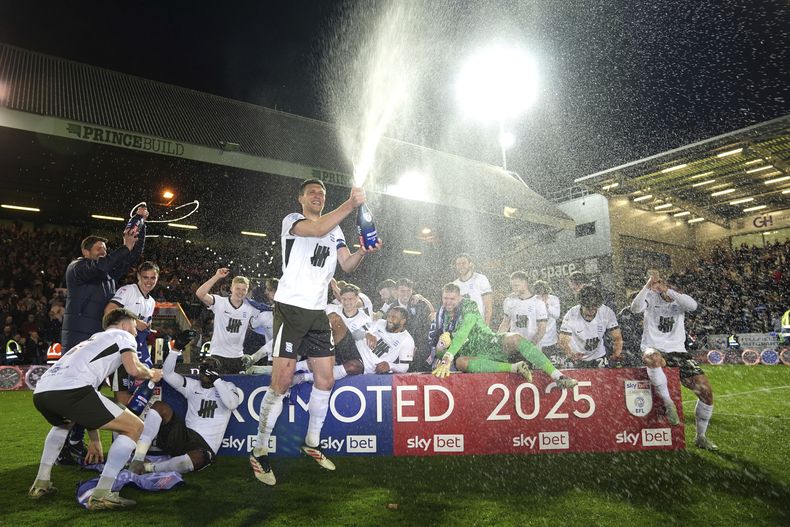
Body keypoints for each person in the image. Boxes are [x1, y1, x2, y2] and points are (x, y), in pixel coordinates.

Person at [249, 178, 380, 486]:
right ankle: (259, 450)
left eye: (322, 193)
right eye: (312, 193)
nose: (318, 197)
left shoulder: (335, 229)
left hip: (318, 312)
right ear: (301, 199)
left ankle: (311, 442)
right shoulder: (292, 221)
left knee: (326, 378)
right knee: (281, 382)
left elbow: (346, 265)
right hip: (290, 310)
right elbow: (318, 229)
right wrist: (351, 204)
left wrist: (363, 249)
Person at [29, 308, 162, 510]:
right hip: (71, 391)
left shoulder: (93, 341)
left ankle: (41, 483)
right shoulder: (123, 335)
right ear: (125, 322)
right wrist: (152, 373)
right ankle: (102, 494)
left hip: (43, 392)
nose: (136, 331)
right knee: (135, 427)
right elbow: (134, 370)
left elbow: (90, 401)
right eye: (135, 325)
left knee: (64, 424)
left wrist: (94, 438)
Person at [60, 216, 146, 464]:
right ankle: (68, 447)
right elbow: (104, 264)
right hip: (78, 340)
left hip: (94, 342)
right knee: (75, 393)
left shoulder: (105, 274)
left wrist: (139, 224)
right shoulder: (78, 268)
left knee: (89, 393)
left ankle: (74, 444)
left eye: (106, 251)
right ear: (85, 251)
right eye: (99, 250)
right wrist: (124, 247)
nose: (103, 254)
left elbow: (129, 256)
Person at [630, 271, 717, 450]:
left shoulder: (680, 300)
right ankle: (668, 403)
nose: (661, 288)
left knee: (706, 393)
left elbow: (693, 306)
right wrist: (648, 286)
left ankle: (701, 436)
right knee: (651, 357)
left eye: (666, 285)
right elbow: (634, 308)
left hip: (679, 352)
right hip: (654, 348)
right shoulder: (651, 298)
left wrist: (669, 290)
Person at [431, 283, 578, 389]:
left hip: (489, 343)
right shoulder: (440, 317)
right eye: (445, 298)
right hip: (473, 355)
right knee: (461, 363)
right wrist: (441, 346)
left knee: (514, 338)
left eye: (452, 299)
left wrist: (447, 357)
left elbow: (464, 331)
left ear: (460, 298)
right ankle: (515, 368)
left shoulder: (468, 305)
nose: (448, 302)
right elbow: (439, 352)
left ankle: (558, 376)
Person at [129, 339, 241, 475]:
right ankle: (138, 459)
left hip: (205, 444)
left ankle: (149, 468)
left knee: (195, 459)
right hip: (184, 435)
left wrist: (215, 380)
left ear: (216, 372)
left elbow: (232, 404)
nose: (204, 373)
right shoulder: (193, 385)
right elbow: (168, 374)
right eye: (203, 368)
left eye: (208, 369)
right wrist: (175, 349)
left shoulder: (228, 387)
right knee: (159, 407)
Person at [104, 261, 159, 405]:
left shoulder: (152, 301)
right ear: (138, 277)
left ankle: (130, 422)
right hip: (121, 349)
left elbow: (143, 326)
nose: (149, 281)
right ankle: (119, 424)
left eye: (153, 278)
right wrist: (134, 321)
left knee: (144, 387)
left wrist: (148, 329)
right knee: (123, 393)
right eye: (145, 277)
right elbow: (109, 310)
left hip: (138, 348)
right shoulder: (128, 290)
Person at [195, 269, 268, 374]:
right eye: (237, 288)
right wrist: (216, 277)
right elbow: (200, 293)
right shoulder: (220, 302)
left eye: (244, 289)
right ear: (231, 288)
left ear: (247, 292)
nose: (241, 292)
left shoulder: (251, 308)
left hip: (237, 357)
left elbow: (265, 317)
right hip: (217, 355)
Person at [558, 285, 623, 368]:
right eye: (588, 308)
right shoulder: (571, 314)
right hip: (578, 356)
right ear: (581, 305)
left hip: (599, 356)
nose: (592, 311)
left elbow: (617, 337)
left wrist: (616, 354)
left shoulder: (607, 312)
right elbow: (563, 340)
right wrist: (571, 354)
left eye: (595, 307)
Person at [392, 278, 434, 372]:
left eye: (408, 291)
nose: (406, 294)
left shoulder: (418, 304)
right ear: (396, 291)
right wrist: (407, 346)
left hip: (419, 346)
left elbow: (428, 321)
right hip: (399, 348)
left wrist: (416, 345)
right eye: (402, 291)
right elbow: (391, 332)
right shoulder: (391, 309)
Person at [499, 272, 547, 347]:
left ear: (525, 284)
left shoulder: (538, 303)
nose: (514, 288)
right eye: (512, 286)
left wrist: (529, 347)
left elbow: (541, 330)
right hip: (514, 347)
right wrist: (497, 340)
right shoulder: (509, 301)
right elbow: (505, 323)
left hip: (532, 348)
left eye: (516, 285)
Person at [532, 280, 567, 368]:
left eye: (545, 295)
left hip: (551, 340)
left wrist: (546, 305)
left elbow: (556, 315)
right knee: (538, 367)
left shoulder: (554, 299)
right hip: (537, 340)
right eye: (540, 295)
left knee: (552, 366)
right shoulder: (533, 301)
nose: (543, 297)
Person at [452, 254, 493, 326]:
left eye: (464, 263)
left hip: (478, 325)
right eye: (458, 264)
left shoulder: (481, 279)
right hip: (461, 328)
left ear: (470, 264)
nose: (461, 266)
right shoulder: (454, 285)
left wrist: (486, 327)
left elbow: (488, 306)